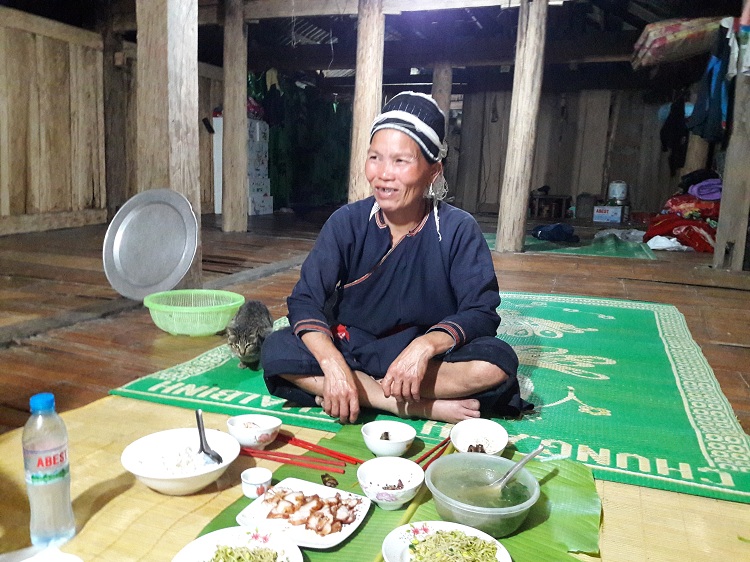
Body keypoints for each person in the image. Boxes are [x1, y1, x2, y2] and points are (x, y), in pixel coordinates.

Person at [261, 91, 527, 424]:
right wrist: (334, 366)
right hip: (352, 345)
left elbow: (480, 312)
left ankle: (356, 392)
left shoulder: (458, 229)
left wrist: (424, 347)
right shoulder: (346, 223)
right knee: (277, 349)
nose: (383, 174)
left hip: (420, 360)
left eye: (400, 161)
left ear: (434, 171)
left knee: (495, 363)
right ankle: (405, 404)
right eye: (375, 158)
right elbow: (305, 300)